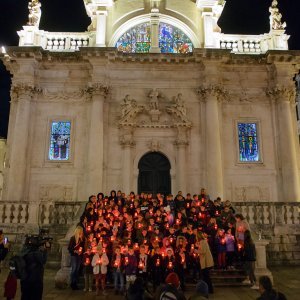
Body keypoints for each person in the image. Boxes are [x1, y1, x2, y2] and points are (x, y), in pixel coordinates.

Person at [20, 235, 49, 300]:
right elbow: (43, 261)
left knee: (25, 295)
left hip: (25, 278)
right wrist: (45, 251)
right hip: (35, 278)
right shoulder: (36, 252)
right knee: (35, 295)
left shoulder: (24, 250)